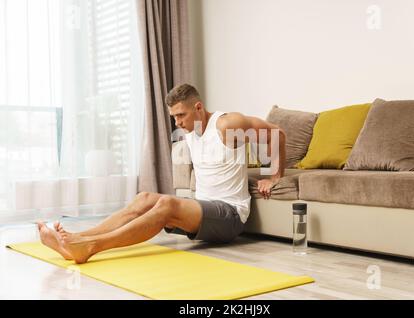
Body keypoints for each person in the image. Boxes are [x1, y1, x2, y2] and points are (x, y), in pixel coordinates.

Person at [37, 84, 286, 263]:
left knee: (166, 203)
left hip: (230, 215)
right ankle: (77, 237)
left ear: (198, 107)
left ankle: (89, 247)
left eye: (181, 115)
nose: (177, 122)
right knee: (145, 197)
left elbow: (277, 133)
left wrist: (274, 176)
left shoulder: (227, 124)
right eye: (173, 116)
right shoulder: (190, 128)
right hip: (202, 209)